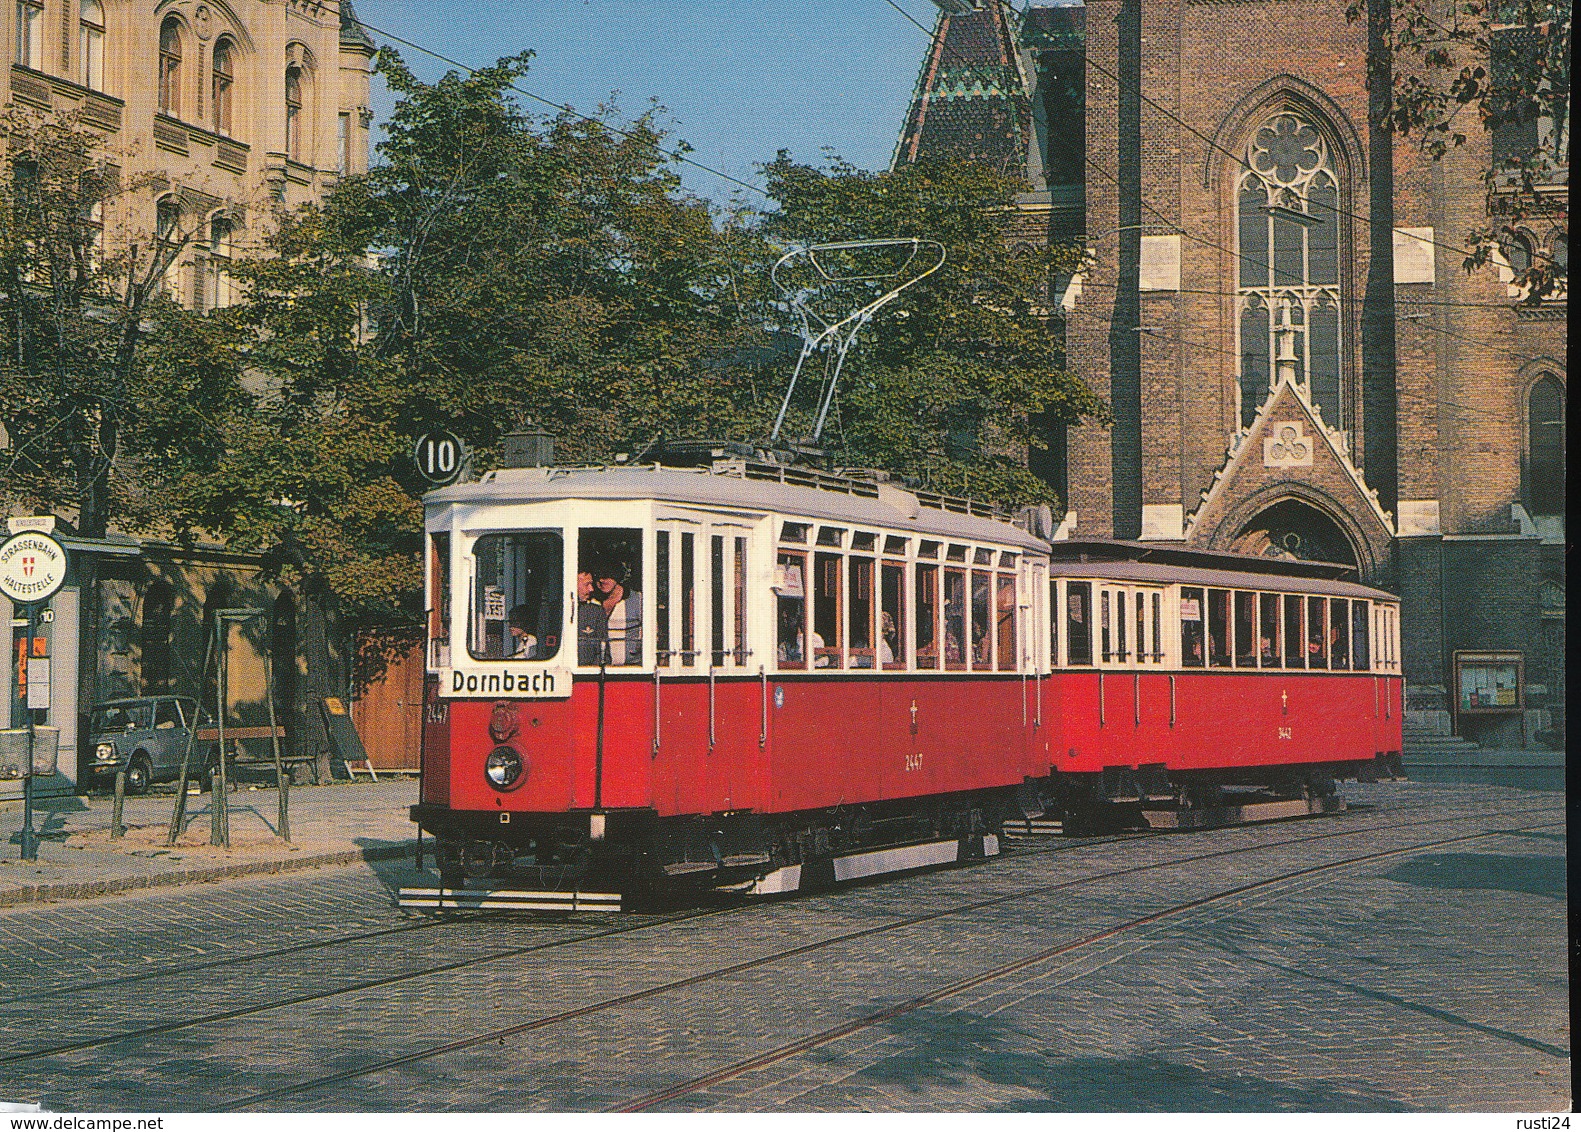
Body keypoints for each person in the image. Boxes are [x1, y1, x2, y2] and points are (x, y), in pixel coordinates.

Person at [596, 567, 642, 666]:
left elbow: (653, 634)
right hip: (596, 669)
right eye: (597, 576)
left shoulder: (637, 600)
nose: (601, 580)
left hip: (631, 670)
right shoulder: (590, 601)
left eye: (606, 575)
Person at [576, 570, 610, 666]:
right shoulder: (550, 613)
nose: (591, 589)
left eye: (591, 584)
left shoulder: (596, 612)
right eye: (587, 584)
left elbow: (604, 655)